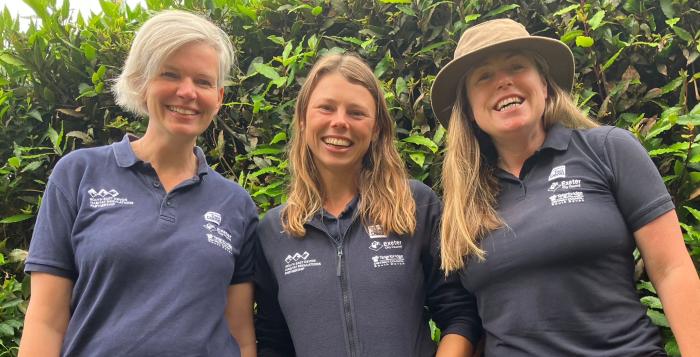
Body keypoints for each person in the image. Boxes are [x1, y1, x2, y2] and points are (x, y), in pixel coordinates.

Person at [432, 18, 700, 356]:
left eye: (517, 65)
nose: (503, 81)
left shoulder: (607, 150)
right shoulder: (462, 202)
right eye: (484, 76)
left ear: (544, 85)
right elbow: (465, 318)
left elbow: (671, 269)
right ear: (469, 109)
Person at [19, 10, 257, 357]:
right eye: (170, 74)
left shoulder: (236, 204)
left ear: (218, 97)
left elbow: (240, 333)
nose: (187, 92)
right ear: (140, 83)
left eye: (203, 82)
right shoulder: (78, 174)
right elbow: (46, 320)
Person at [254, 53, 482, 357]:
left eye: (357, 113)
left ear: (375, 129)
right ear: (303, 118)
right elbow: (273, 342)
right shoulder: (274, 231)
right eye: (326, 108)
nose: (339, 122)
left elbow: (460, 314)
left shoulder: (416, 206)